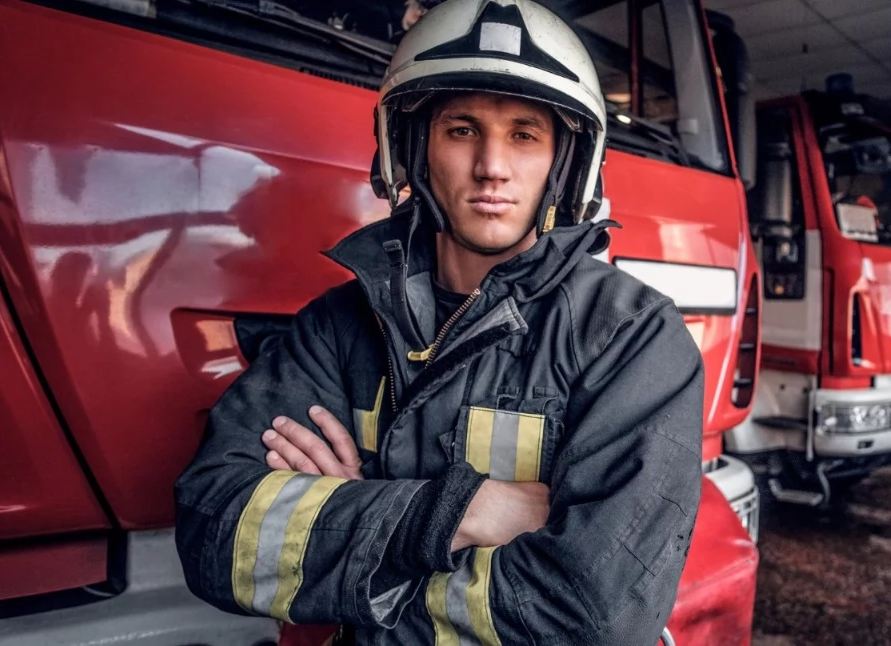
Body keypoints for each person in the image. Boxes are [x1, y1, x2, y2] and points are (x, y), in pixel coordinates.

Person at [173, 0, 704, 644]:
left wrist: (356, 529)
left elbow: (597, 614)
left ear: (566, 162)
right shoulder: (335, 328)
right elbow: (215, 533)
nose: (492, 167)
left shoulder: (632, 338)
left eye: (525, 135)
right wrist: (461, 511)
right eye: (461, 130)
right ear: (413, 147)